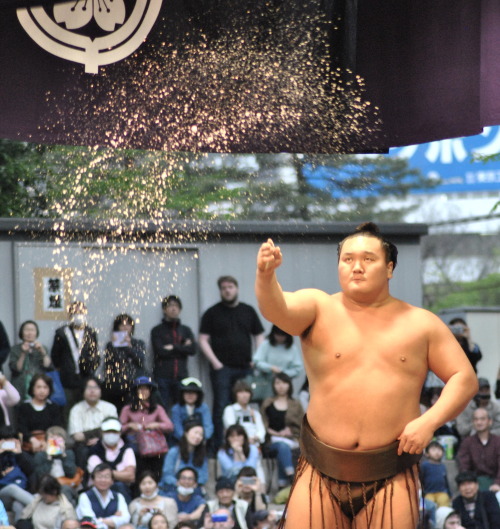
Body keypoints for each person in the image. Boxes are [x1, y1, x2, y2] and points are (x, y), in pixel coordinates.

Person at [255, 222, 478, 528]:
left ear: (389, 268)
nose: (356, 267)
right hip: (320, 468)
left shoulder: (420, 323)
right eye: (347, 260)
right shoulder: (319, 308)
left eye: (368, 259)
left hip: (391, 473)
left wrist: (429, 422)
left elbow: (463, 378)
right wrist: (266, 277)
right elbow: (277, 308)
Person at [199, 276, 264, 450]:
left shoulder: (248, 311)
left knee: (246, 405)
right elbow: (203, 339)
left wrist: (255, 359)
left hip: (245, 368)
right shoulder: (212, 313)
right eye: (224, 288)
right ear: (220, 291)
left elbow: (259, 336)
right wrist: (216, 363)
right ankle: (219, 445)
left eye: (230, 287)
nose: (227, 290)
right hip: (222, 369)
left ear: (237, 288)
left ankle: (250, 443)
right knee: (221, 406)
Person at [51, 301, 99, 415]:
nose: (78, 315)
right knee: (68, 409)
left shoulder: (91, 332)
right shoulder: (62, 332)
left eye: (81, 312)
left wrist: (92, 368)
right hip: (67, 379)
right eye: (75, 312)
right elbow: (55, 355)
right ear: (70, 315)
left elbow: (95, 354)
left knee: (87, 409)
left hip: (86, 377)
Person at [120, 376, 173, 479]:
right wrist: (129, 426)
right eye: (140, 388)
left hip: (154, 448)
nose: (143, 391)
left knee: (156, 468)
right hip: (135, 447)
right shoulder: (127, 409)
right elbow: (118, 428)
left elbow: (170, 426)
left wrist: (156, 425)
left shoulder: (157, 408)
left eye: (146, 389)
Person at [151, 296, 197, 411]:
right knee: (161, 408)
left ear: (180, 309)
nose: (173, 308)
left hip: (182, 376)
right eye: (170, 305)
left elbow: (192, 350)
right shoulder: (157, 330)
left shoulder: (185, 330)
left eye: (176, 306)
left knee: (182, 408)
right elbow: (160, 352)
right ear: (164, 309)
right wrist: (182, 347)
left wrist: (173, 347)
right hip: (162, 376)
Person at [260, 373, 303, 489]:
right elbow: (262, 424)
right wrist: (277, 433)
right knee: (282, 447)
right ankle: (291, 475)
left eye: (284, 383)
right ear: (273, 385)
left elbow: (303, 425)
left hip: (293, 439)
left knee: (286, 449)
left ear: (289, 385)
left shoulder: (296, 404)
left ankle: (282, 484)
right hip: (272, 440)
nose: (281, 386)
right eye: (278, 383)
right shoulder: (267, 403)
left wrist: (290, 432)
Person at [68, 377, 118, 469]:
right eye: (88, 388)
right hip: (84, 445)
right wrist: (101, 432)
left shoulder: (110, 408)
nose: (92, 391)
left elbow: (114, 430)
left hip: (106, 443)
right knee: (82, 451)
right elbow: (77, 436)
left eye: (95, 388)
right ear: (83, 391)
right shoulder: (76, 410)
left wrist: (99, 439)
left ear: (100, 391)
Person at [102, 314, 146, 412]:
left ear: (132, 327)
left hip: (135, 384)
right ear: (117, 327)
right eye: (122, 325)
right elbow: (109, 365)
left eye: (128, 324)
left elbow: (140, 361)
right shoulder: (111, 345)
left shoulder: (139, 343)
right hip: (117, 385)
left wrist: (128, 346)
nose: (125, 327)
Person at [87, 417, 136, 503]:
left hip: (122, 491)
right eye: (108, 431)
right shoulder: (94, 450)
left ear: (120, 433)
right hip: (98, 491)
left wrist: (106, 473)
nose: (111, 434)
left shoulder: (127, 449)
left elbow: (130, 476)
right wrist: (121, 473)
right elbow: (97, 475)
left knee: (119, 486)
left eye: (114, 432)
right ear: (102, 433)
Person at [252, 326, 303, 401]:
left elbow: (298, 369)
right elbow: (257, 361)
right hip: (266, 382)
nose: (280, 338)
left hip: (284, 384)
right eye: (278, 335)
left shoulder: (292, 348)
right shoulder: (266, 345)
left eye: (283, 335)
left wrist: (283, 372)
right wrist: (270, 367)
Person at [17, 373, 64, 454]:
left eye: (45, 387)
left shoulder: (53, 407)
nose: (42, 390)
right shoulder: (24, 407)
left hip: (50, 443)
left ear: (49, 390)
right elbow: (22, 427)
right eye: (38, 387)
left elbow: (57, 427)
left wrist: (47, 442)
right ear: (32, 389)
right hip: (29, 445)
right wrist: (32, 440)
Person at [457, 407, 500, 491]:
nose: (479, 422)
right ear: (473, 422)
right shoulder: (467, 442)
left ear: (490, 421)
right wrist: (469, 483)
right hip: (474, 483)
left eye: (482, 419)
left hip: (496, 482)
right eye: (476, 419)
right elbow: (464, 466)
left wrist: (497, 483)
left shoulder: (498, 441)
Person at [159, 419, 207, 494]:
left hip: (192, 490)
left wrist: (191, 484)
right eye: (195, 433)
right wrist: (181, 484)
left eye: (201, 435)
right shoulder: (174, 452)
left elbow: (203, 476)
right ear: (186, 433)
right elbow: (167, 474)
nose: (198, 436)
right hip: (173, 489)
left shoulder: (202, 454)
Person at [77, 462, 131, 529]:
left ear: (112, 481)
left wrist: (101, 520)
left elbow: (126, 518)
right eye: (100, 477)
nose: (103, 480)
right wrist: (114, 519)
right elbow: (90, 521)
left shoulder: (118, 496)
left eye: (106, 477)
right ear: (93, 480)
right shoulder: (85, 496)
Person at [32, 426, 79, 502]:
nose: (55, 442)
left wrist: (63, 456)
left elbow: (71, 473)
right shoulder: (40, 455)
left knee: (65, 490)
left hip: (66, 485)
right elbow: (41, 475)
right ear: (47, 441)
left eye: (58, 439)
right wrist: (49, 458)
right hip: (47, 488)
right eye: (52, 439)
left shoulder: (69, 453)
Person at [8, 320, 52, 401]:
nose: (29, 333)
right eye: (26, 330)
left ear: (36, 333)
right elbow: (17, 369)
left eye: (32, 330)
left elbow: (47, 365)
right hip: (19, 385)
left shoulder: (42, 348)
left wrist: (42, 351)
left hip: (38, 385)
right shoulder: (15, 349)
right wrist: (23, 353)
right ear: (22, 332)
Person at [222, 381, 266, 446]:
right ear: (235, 394)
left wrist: (255, 438)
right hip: (236, 445)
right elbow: (231, 428)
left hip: (254, 445)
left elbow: (261, 430)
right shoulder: (230, 410)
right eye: (241, 392)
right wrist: (245, 439)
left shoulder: (255, 412)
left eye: (247, 392)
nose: (244, 395)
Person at [170, 378, 213, 444]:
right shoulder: (176, 409)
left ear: (198, 395)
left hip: (201, 442)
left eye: (193, 393)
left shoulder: (204, 408)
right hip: (181, 443)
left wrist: (199, 438)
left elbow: (208, 427)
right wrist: (189, 440)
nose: (190, 396)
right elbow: (177, 429)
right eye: (187, 392)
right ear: (182, 394)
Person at [420, 440, 451, 507]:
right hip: (428, 492)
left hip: (441, 491)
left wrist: (450, 494)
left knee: (444, 501)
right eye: (433, 450)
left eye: (439, 450)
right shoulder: (425, 465)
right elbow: (421, 479)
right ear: (427, 453)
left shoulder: (442, 466)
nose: (437, 452)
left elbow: (446, 481)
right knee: (429, 504)